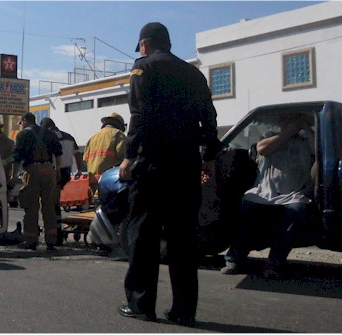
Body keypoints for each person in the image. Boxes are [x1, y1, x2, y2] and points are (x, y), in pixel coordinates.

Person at [116, 22, 222, 327]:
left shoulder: (143, 69)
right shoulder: (194, 74)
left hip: (153, 165)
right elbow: (210, 118)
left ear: (145, 44)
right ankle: (184, 310)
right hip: (186, 166)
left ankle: (141, 304)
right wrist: (210, 156)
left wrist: (129, 157)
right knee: (184, 241)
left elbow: (140, 116)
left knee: (144, 236)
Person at [221, 114, 315, 278]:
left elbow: (318, 151)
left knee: (296, 214)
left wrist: (306, 127)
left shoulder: (306, 141)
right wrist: (288, 133)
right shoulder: (271, 137)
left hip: (292, 195)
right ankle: (234, 259)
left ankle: (274, 264)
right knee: (245, 211)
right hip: (263, 192)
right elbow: (262, 149)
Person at [11, 112, 63, 251]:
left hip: (32, 170)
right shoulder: (48, 133)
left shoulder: (22, 135)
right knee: (49, 206)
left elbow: (16, 158)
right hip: (49, 170)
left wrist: (13, 176)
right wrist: (57, 171)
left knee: (31, 206)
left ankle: (30, 240)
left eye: (21, 123)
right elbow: (58, 152)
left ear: (25, 121)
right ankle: (51, 240)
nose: (20, 126)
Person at [39, 117, 84, 245]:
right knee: (55, 202)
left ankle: (55, 235)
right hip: (66, 172)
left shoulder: (47, 136)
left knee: (50, 204)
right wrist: (79, 170)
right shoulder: (69, 136)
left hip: (54, 171)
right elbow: (77, 153)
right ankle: (56, 232)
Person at [83, 113, 127, 195]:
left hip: (93, 182)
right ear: (119, 124)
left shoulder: (92, 138)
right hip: (110, 181)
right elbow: (124, 156)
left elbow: (85, 160)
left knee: (98, 205)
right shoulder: (118, 134)